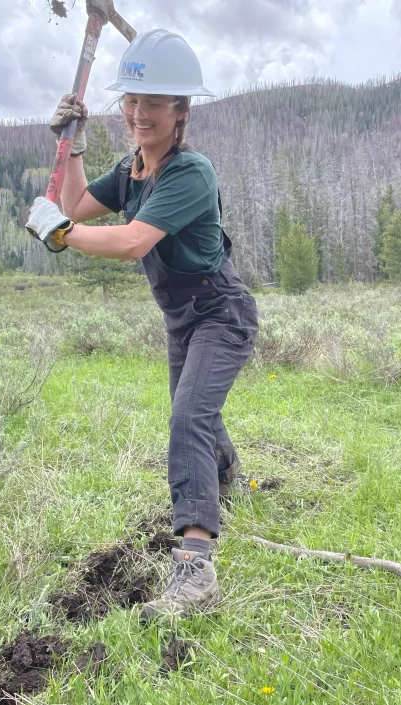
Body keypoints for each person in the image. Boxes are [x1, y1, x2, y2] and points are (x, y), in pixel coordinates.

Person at [26, 29, 259, 620]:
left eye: (154, 102)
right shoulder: (131, 171)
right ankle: (226, 474)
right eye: (131, 100)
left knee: (188, 416)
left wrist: (60, 234)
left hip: (220, 312)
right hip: (182, 318)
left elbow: (129, 241)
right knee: (197, 412)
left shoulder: (189, 172)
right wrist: (71, 145)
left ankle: (195, 566)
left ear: (182, 109)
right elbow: (78, 205)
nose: (138, 113)